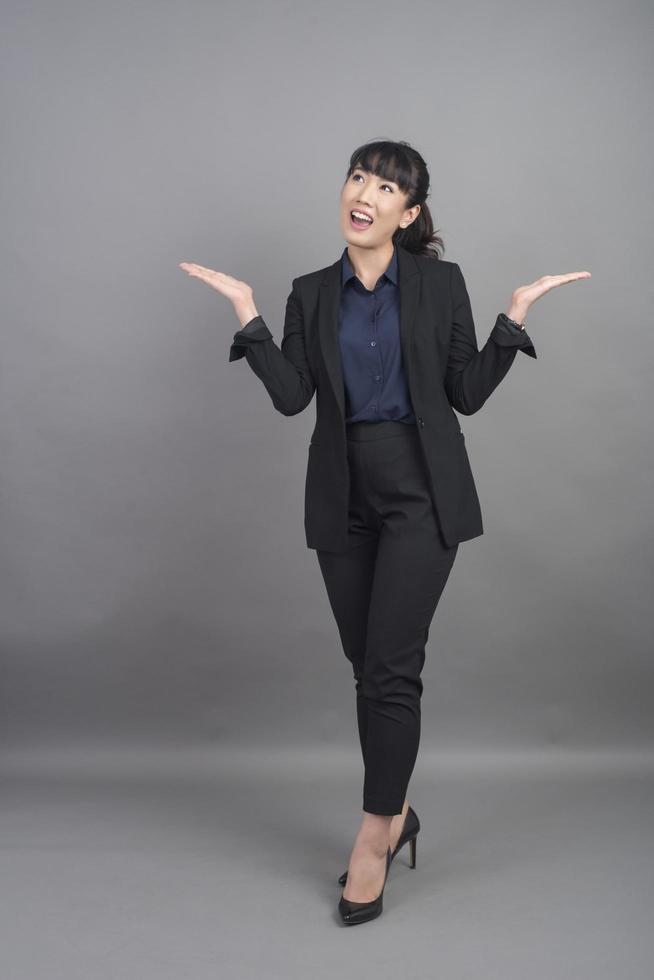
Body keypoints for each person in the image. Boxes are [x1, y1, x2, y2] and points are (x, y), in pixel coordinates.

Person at [179, 138, 591, 926]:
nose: (365, 191)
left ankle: (374, 836)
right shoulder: (311, 292)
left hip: (421, 494)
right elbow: (294, 399)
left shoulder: (440, 283)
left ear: (408, 213)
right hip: (341, 497)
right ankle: (400, 810)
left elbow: (465, 394)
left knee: (392, 668)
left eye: (387, 185)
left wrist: (514, 318)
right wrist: (249, 315)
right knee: (367, 668)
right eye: (358, 176)